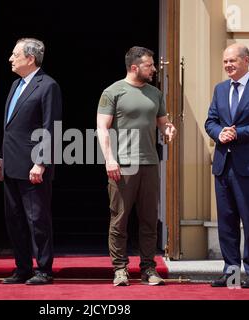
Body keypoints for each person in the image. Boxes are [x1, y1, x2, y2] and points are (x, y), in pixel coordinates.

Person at [96, 46, 177, 286]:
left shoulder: (155, 93)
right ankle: (120, 269)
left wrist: (168, 128)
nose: (154, 69)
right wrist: (110, 159)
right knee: (119, 219)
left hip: (150, 163)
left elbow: (162, 122)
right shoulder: (113, 92)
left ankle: (148, 269)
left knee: (149, 220)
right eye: (149, 65)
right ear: (134, 67)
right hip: (122, 165)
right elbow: (102, 128)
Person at [205, 43, 249, 288]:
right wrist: (219, 133)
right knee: (226, 221)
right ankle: (231, 273)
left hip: (248, 167)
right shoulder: (220, 89)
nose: (227, 65)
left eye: (232, 61)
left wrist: (237, 133)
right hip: (223, 165)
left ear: (246, 60)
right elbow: (211, 121)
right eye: (225, 61)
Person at [0, 38, 62, 285]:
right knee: (14, 219)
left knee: (37, 220)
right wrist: (1, 157)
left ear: (30, 58)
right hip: (11, 164)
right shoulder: (15, 85)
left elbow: (51, 128)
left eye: (15, 54)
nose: (10, 59)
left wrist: (41, 163)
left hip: (34, 167)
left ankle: (43, 269)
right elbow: (9, 128)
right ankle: (22, 268)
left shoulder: (48, 86)